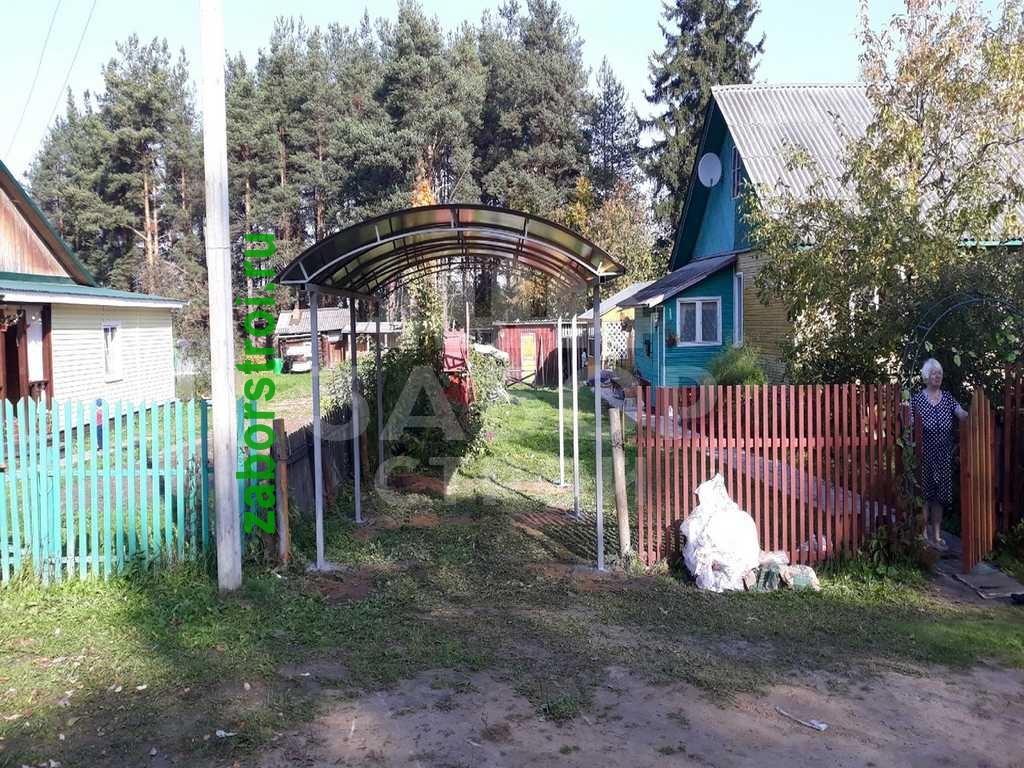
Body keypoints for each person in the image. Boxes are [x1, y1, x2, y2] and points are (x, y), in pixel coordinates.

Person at [910, 358, 967, 550]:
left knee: (939, 498)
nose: (937, 376)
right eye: (934, 373)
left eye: (940, 374)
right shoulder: (917, 400)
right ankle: (923, 535)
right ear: (927, 376)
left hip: (943, 455)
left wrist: (972, 415)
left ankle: (936, 535)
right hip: (924, 454)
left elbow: (961, 413)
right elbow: (908, 422)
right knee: (925, 496)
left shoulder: (948, 398)